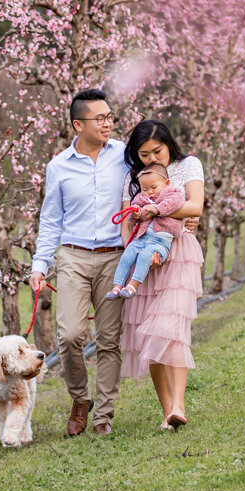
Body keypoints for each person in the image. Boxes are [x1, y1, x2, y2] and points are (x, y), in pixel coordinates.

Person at [30, 88, 130, 437]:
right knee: (70, 335)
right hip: (72, 255)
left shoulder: (124, 155)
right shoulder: (58, 166)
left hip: (114, 257)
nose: (107, 124)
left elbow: (156, 178)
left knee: (108, 339)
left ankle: (103, 414)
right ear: (78, 124)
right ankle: (80, 399)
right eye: (99, 118)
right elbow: (50, 219)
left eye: (109, 117)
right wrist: (39, 265)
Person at [117, 120, 205, 430]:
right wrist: (139, 250)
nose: (153, 159)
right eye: (144, 154)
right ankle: (168, 412)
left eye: (158, 151)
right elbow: (128, 220)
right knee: (146, 332)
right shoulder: (132, 177)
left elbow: (195, 205)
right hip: (144, 259)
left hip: (178, 253)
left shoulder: (187, 165)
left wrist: (159, 211)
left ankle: (179, 404)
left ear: (169, 144)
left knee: (171, 327)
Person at [105, 163, 184, 300]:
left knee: (144, 256)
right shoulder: (141, 198)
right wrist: (135, 215)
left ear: (166, 183)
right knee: (127, 254)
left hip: (160, 242)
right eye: (145, 189)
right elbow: (133, 210)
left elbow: (174, 203)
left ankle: (132, 286)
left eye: (154, 187)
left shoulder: (172, 193)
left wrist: (157, 209)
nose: (150, 192)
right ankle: (117, 286)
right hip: (142, 238)